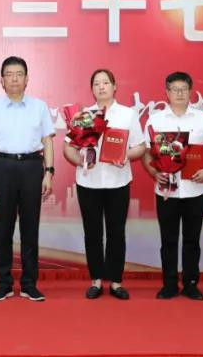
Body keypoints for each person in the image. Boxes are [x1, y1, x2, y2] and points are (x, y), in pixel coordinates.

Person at [0, 56, 55, 302]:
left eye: (19, 74)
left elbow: (47, 141)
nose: (14, 79)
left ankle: (29, 284)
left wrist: (49, 172)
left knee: (30, 228)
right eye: (9, 74)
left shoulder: (39, 107)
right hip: (2, 167)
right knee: (3, 229)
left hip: (32, 166)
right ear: (2, 80)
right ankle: (4, 284)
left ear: (27, 79)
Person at [63, 69, 145, 300]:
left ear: (114, 86)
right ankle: (96, 281)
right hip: (88, 182)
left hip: (118, 181)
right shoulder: (83, 115)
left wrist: (126, 156)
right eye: (97, 83)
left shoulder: (128, 114)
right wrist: (79, 161)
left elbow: (140, 146)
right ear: (92, 89)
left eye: (105, 82)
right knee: (93, 233)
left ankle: (116, 282)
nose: (101, 87)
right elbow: (67, 146)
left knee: (116, 233)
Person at [141, 71, 203, 301]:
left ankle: (191, 283)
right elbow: (147, 152)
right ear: (167, 92)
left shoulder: (202, 119)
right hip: (166, 191)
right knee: (168, 240)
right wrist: (155, 172)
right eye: (174, 89)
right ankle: (169, 284)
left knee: (192, 240)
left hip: (196, 189)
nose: (179, 93)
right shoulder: (156, 120)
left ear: (190, 92)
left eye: (184, 89)